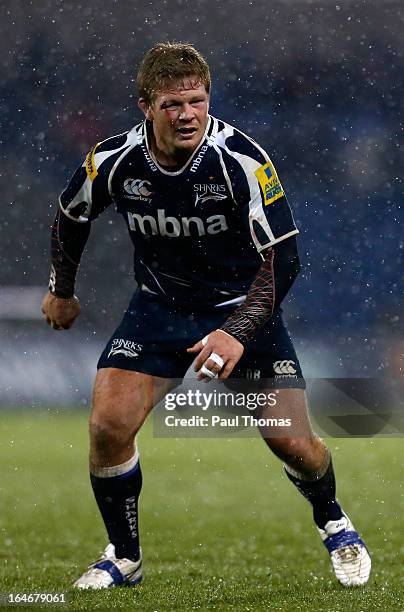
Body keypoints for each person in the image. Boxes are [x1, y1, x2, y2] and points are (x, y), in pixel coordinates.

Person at [41, 42, 371, 589]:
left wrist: (239, 332)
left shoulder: (241, 159)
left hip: (245, 310)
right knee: (107, 426)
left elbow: (284, 257)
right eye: (173, 104)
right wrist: (62, 289)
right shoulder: (114, 160)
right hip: (159, 309)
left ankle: (334, 520)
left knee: (293, 442)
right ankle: (125, 557)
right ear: (146, 105)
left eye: (197, 100)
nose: (188, 113)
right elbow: (71, 214)